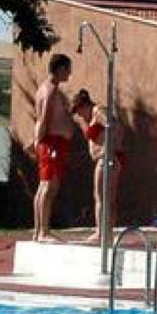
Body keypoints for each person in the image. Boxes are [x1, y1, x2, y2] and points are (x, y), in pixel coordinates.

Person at [71, 88, 125, 245]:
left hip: (106, 159)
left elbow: (114, 126)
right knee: (108, 199)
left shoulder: (97, 111)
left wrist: (110, 147)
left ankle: (101, 232)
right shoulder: (92, 116)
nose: (80, 115)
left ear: (84, 105)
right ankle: (107, 233)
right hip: (107, 159)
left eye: (79, 111)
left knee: (101, 197)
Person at [29, 53, 74, 242]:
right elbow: (45, 117)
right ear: (61, 68)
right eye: (68, 69)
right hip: (51, 142)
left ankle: (39, 230)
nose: (70, 74)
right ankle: (42, 232)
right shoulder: (50, 91)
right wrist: (38, 140)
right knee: (48, 186)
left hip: (54, 141)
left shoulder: (47, 89)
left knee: (46, 186)